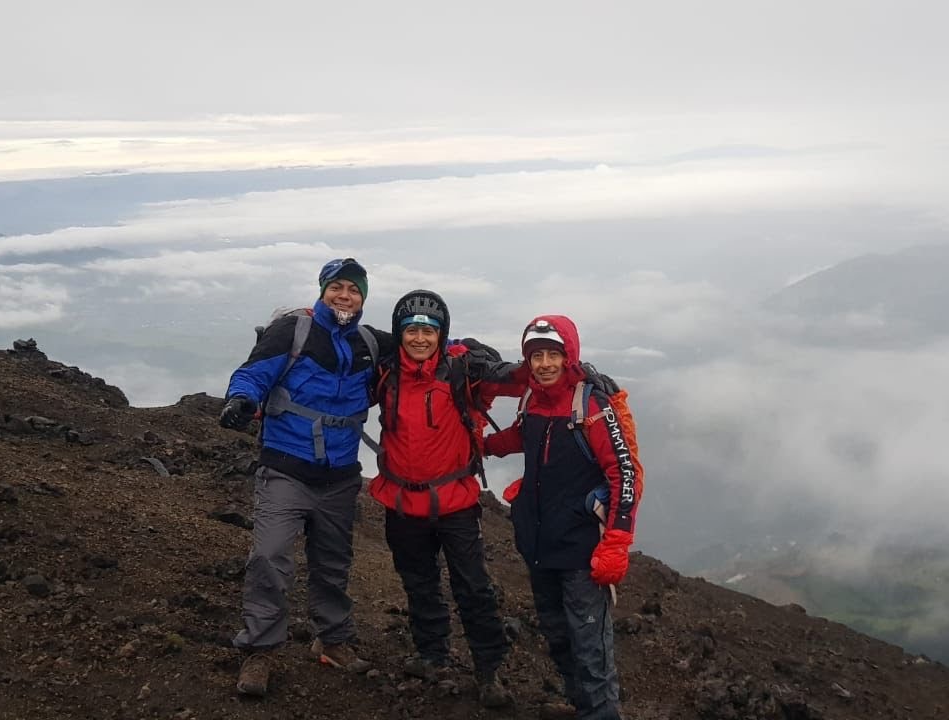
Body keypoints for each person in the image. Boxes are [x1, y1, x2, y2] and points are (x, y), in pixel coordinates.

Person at [218, 257, 395, 696]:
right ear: (322, 290)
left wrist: (465, 350)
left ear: (363, 298)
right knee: (269, 556)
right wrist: (241, 400)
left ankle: (332, 640)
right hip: (285, 468)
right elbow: (253, 373)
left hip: (339, 476)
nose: (345, 296)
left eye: (353, 290)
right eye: (337, 287)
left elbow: (421, 342)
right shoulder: (292, 332)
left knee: (332, 564)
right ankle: (260, 650)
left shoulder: (370, 343)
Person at [367, 290, 523, 708]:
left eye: (428, 331)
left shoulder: (462, 373)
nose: (419, 338)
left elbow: (518, 380)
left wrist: (562, 365)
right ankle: (432, 655)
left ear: (442, 335)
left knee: (473, 587)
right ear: (400, 334)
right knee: (419, 584)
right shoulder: (385, 374)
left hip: (454, 504)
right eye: (411, 330)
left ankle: (489, 670)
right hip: (401, 503)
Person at [485, 315, 642, 720]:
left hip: (581, 550)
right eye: (536, 355)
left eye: (553, 354)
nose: (545, 364)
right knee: (558, 638)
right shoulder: (533, 400)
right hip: (539, 545)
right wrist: (482, 446)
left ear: (569, 356)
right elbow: (525, 436)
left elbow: (624, 474)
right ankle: (581, 707)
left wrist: (617, 543)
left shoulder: (591, 406)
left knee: (591, 650)